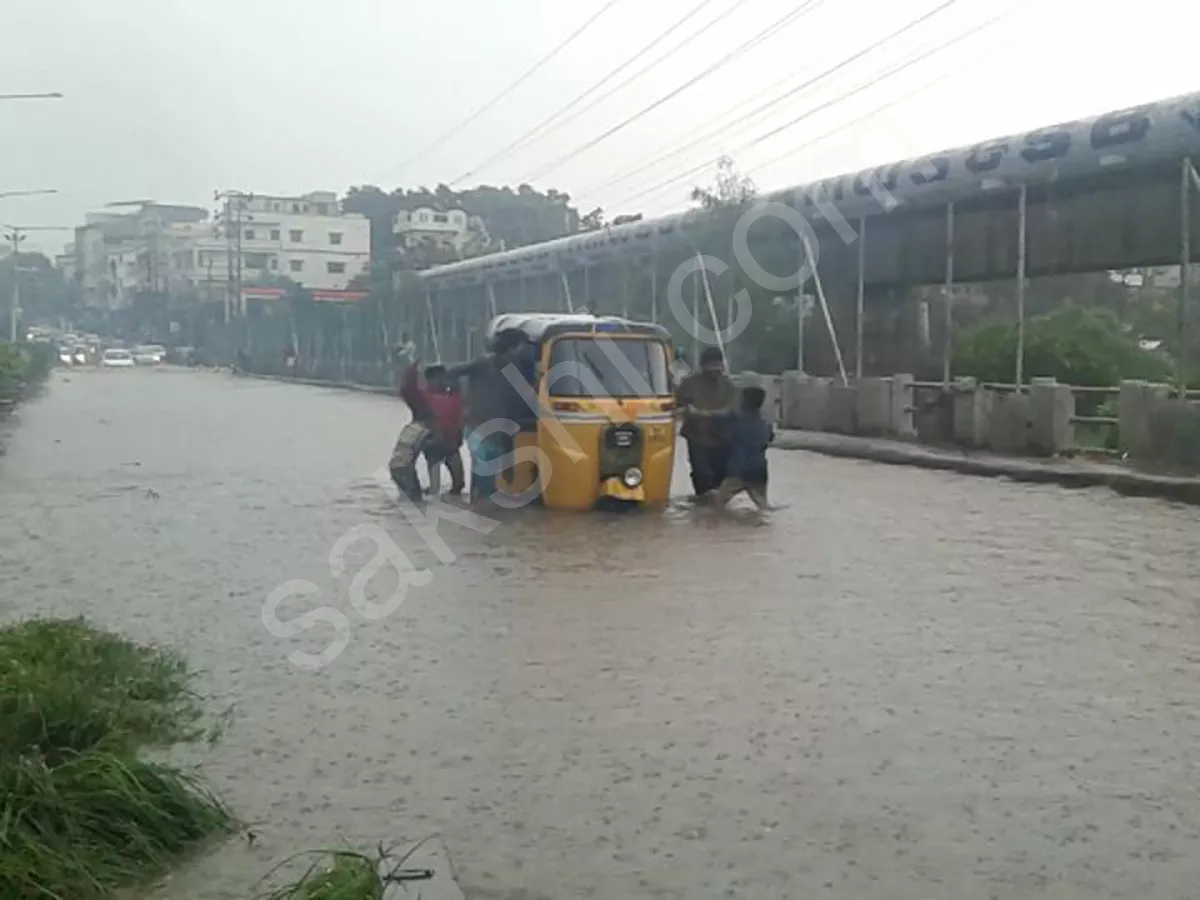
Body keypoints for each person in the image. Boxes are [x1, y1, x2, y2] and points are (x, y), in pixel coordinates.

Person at [675, 346, 738, 498]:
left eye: (718, 366)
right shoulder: (690, 383)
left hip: (722, 438)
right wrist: (687, 410)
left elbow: (733, 409)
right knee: (702, 474)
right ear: (703, 366)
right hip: (697, 437)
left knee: (721, 476)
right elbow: (680, 404)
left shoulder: (728, 385)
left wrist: (707, 414)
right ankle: (703, 507)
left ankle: (714, 510)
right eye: (711, 366)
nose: (715, 370)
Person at [713, 386, 774, 513]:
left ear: (743, 400)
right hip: (759, 470)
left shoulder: (734, 417)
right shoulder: (766, 421)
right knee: (763, 507)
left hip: (738, 470)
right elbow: (770, 439)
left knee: (717, 506)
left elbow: (718, 426)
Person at [418, 364, 466, 496]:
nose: (443, 380)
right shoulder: (424, 396)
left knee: (459, 485)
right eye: (441, 377)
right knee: (435, 488)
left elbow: (461, 415)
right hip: (433, 444)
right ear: (431, 379)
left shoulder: (453, 395)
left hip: (451, 443)